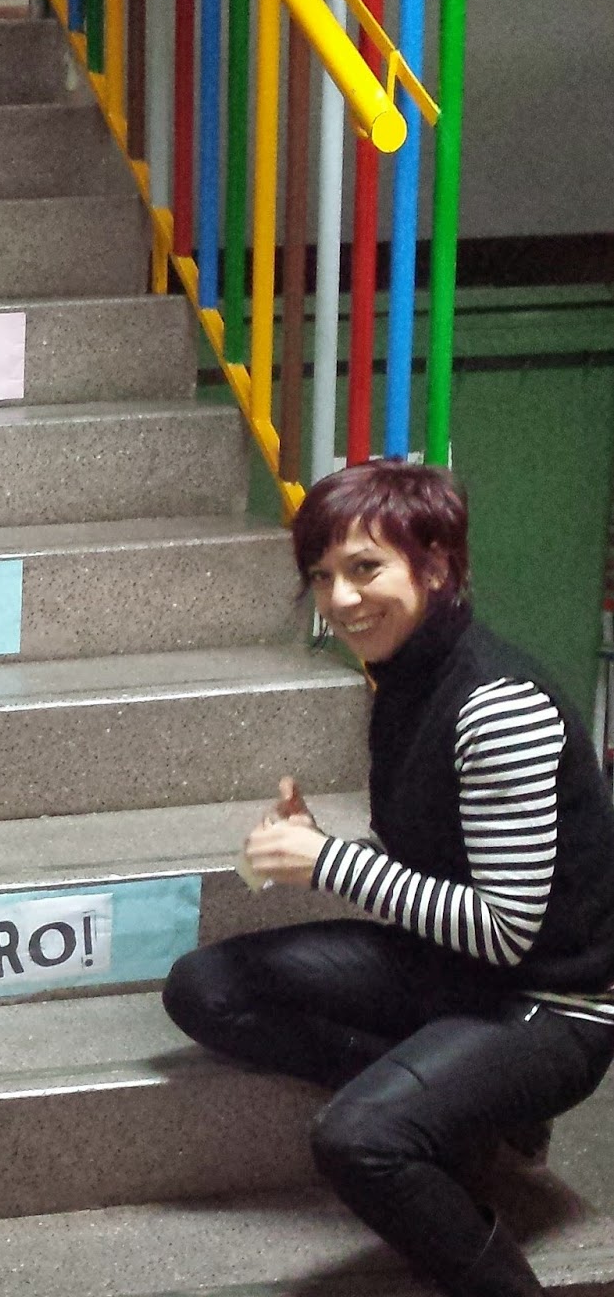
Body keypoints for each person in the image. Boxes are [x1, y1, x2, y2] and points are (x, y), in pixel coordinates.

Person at [162, 460, 614, 1297]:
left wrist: (330, 863)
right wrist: (324, 842)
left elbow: (504, 927)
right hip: (450, 970)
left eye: (365, 569)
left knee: (358, 1138)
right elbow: (433, 857)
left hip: (552, 1003)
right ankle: (468, 1116)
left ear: (435, 566)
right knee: (206, 987)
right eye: (322, 576)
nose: (339, 600)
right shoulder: (402, 679)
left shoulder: (495, 705)